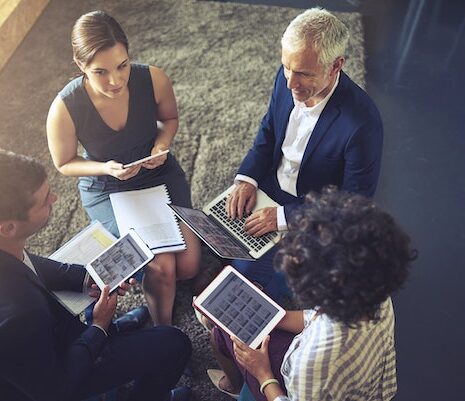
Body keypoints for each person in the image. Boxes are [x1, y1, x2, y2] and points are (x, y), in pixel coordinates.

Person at [46, 10, 201, 325]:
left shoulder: (153, 78)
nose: (115, 81)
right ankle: (163, 331)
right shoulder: (65, 106)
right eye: (100, 72)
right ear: (81, 66)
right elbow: (64, 163)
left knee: (187, 267)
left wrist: (161, 146)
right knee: (162, 267)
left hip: (158, 172)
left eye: (123, 66)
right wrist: (106, 168)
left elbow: (169, 120)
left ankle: (155, 285)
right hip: (108, 187)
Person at [0, 150, 192, 401]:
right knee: (174, 343)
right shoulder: (21, 312)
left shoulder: (7, 244)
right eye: (45, 200)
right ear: (8, 227)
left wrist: (88, 277)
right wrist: (99, 327)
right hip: (54, 372)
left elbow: (30, 263)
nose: (55, 198)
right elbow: (55, 390)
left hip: (41, 340)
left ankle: (107, 333)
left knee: (97, 301)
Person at [225, 8, 383, 300]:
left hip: (310, 214)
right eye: (287, 67)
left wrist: (284, 217)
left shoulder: (363, 124)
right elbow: (269, 131)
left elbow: (352, 207)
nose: (290, 83)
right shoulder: (287, 76)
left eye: (303, 74)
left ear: (336, 65)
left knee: (243, 289)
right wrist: (247, 178)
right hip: (267, 189)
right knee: (208, 240)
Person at [210, 186, 416, 401]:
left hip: (301, 385)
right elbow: (320, 318)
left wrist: (264, 375)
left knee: (222, 330)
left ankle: (235, 385)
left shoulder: (311, 363)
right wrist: (276, 317)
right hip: (367, 383)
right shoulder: (375, 290)